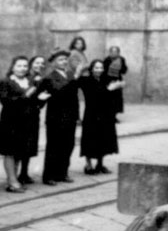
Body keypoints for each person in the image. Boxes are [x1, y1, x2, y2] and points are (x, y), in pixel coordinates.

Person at [0, 55, 40, 192]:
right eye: (19, 66)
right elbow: (6, 101)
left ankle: (13, 179)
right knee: (10, 152)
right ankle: (12, 181)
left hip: (25, 122)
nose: (22, 69)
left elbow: (34, 101)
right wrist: (26, 96)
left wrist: (39, 99)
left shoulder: (29, 81)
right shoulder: (6, 82)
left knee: (18, 151)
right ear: (13, 67)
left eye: (25, 66)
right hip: (10, 121)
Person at [42, 49, 79, 185]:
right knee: (54, 146)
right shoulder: (49, 78)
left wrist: (77, 115)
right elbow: (59, 92)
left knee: (68, 145)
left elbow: (75, 97)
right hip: (55, 117)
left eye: (65, 60)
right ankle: (49, 176)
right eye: (60, 60)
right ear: (53, 63)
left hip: (70, 117)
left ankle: (62, 173)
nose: (63, 62)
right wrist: (74, 79)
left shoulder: (70, 74)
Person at [77, 59, 121, 174]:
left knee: (103, 139)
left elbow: (112, 97)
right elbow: (94, 96)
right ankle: (88, 165)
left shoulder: (106, 79)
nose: (99, 70)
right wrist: (109, 89)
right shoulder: (86, 80)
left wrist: (115, 88)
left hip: (105, 114)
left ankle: (100, 164)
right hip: (92, 114)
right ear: (91, 69)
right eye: (96, 68)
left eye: (101, 68)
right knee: (90, 139)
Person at [19, 54, 48, 184]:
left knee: (30, 145)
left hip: (33, 115)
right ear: (31, 64)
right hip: (20, 115)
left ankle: (24, 173)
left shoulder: (41, 79)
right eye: (37, 63)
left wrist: (40, 102)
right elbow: (23, 96)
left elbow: (42, 99)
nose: (39, 66)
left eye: (42, 64)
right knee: (20, 145)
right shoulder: (24, 77)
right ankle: (16, 174)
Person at [103, 45, 127, 118]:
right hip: (109, 81)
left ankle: (114, 116)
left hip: (117, 81)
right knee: (109, 100)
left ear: (118, 52)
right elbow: (104, 71)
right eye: (112, 51)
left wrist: (121, 67)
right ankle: (109, 115)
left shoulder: (121, 59)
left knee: (117, 100)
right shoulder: (107, 60)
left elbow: (124, 71)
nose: (114, 53)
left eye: (116, 51)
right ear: (110, 52)